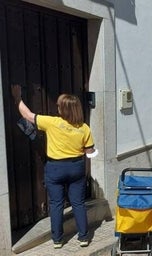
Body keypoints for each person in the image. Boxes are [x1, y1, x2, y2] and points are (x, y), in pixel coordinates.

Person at [11, 84, 98, 249]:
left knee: (57, 204)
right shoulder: (84, 128)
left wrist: (17, 98)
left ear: (63, 109)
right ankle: (84, 238)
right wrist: (88, 160)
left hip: (55, 168)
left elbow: (27, 115)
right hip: (76, 167)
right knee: (78, 203)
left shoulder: (51, 122)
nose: (57, 107)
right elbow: (89, 152)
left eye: (59, 105)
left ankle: (57, 240)